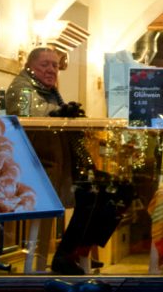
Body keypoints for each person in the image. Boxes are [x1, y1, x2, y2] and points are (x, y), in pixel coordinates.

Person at [6, 47, 118, 275]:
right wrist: (60, 113)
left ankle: (77, 251)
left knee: (110, 194)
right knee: (92, 195)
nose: (51, 70)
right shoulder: (21, 86)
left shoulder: (50, 92)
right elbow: (28, 114)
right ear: (29, 66)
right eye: (44, 64)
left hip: (57, 168)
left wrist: (69, 114)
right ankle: (66, 255)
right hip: (35, 172)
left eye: (55, 65)